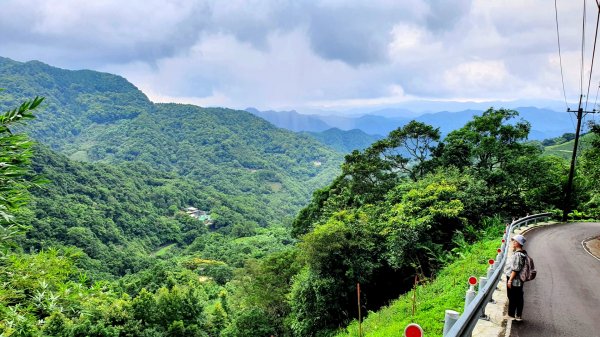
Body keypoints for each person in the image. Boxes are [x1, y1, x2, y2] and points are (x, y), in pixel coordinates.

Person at [504, 234, 527, 321]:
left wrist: (510, 280)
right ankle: (518, 315)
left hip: (514, 279)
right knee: (518, 296)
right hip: (516, 280)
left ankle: (512, 315)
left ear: (519, 243)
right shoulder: (521, 253)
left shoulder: (518, 255)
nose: (513, 242)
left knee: (513, 296)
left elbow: (515, 269)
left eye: (515, 241)